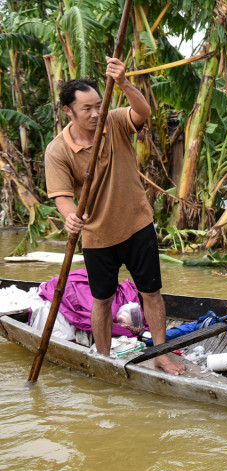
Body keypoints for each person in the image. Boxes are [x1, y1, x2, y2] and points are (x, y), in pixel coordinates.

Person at [44, 58, 185, 375]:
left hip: (137, 224)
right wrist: (70, 217)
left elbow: (143, 113)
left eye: (98, 105)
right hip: (97, 235)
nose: (95, 114)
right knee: (102, 301)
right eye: (86, 109)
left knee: (152, 293)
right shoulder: (57, 151)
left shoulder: (115, 121)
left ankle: (161, 355)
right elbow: (63, 197)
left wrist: (123, 83)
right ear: (69, 111)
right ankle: (105, 359)